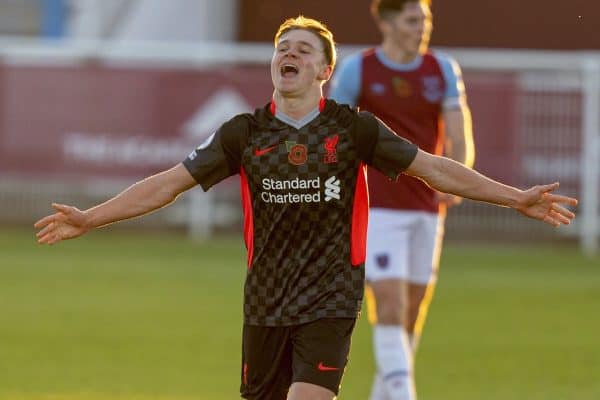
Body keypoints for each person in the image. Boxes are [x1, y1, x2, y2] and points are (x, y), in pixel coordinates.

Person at [34, 15, 577, 400]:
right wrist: (91, 216)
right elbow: (166, 185)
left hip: (330, 298)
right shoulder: (243, 133)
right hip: (265, 301)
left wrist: (515, 197)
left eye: (302, 49)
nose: (288, 54)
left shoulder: (353, 128)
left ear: (324, 71)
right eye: (282, 47)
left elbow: (434, 168)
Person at [328, 0, 473, 398]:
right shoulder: (360, 68)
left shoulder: (441, 68)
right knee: (389, 306)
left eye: (425, 19)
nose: (422, 27)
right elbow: (333, 129)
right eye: (413, 20)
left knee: (409, 315)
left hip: (427, 209)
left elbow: (459, 133)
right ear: (388, 23)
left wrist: (456, 175)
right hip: (377, 207)